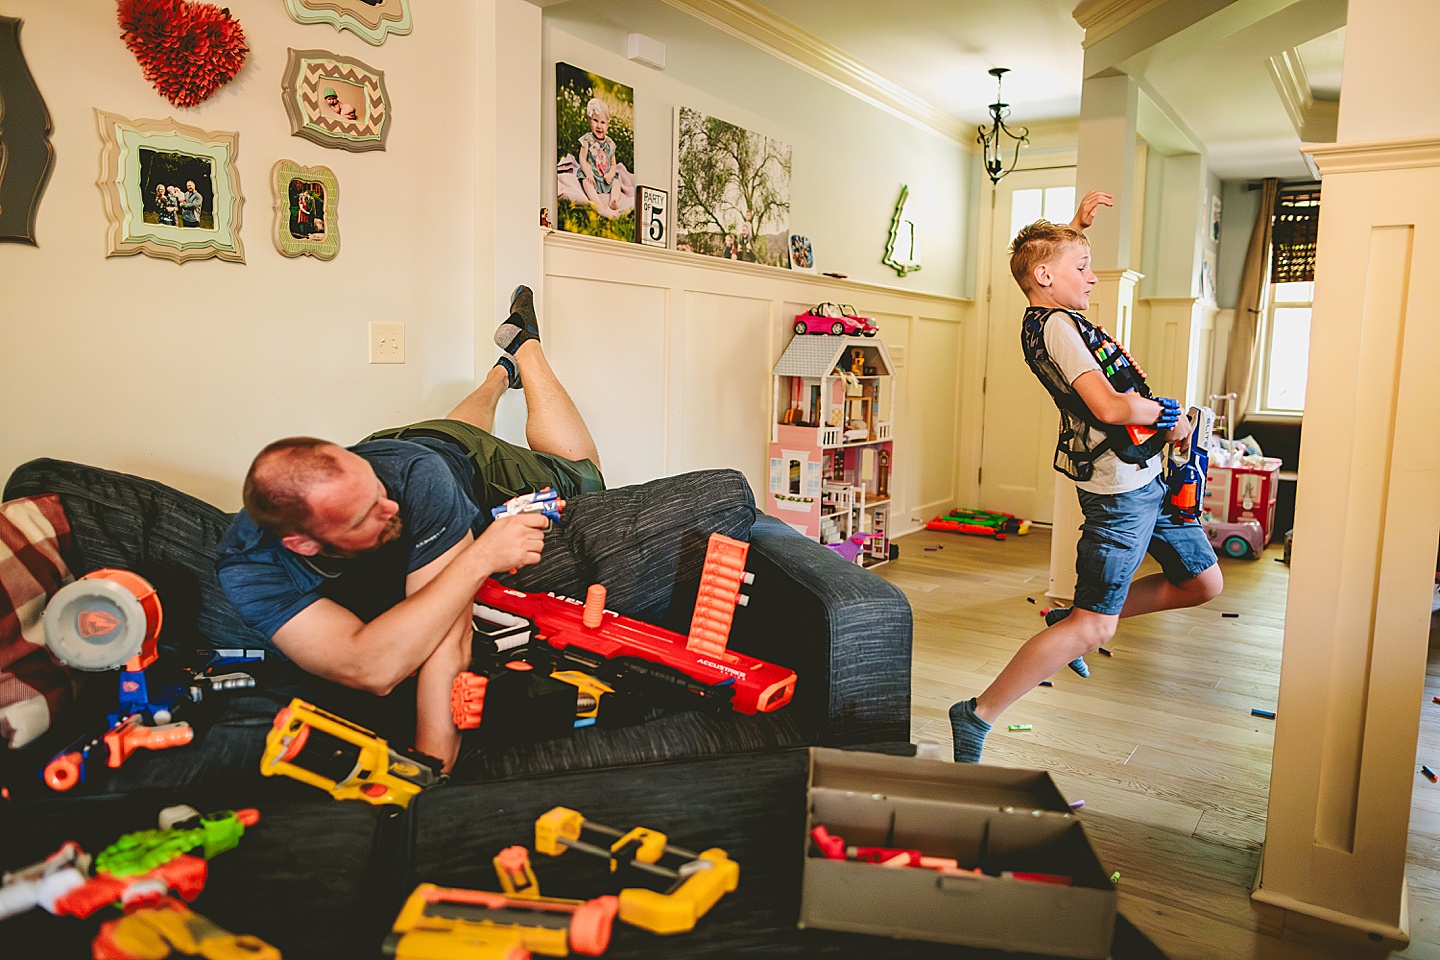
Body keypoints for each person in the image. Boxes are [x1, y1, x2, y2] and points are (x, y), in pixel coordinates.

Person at [216, 286, 603, 773]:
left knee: (585, 473)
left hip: (447, 460)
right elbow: (370, 668)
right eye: (365, 515)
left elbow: (450, 635)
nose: (391, 507)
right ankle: (497, 377)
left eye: (377, 490)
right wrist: (480, 557)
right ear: (301, 543)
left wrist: (432, 767)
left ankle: (525, 349)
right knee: (443, 437)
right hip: (423, 448)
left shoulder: (412, 482)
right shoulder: (248, 565)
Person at [948, 191, 1223, 764]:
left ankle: (1067, 618)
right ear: (1046, 276)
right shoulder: (1056, 329)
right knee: (1095, 627)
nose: (1093, 278)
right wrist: (1169, 414)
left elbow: (1046, 260)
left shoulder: (1055, 308)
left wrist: (1074, 227)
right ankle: (977, 715)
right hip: (1120, 492)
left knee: (1202, 584)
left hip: (1150, 479)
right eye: (1083, 268)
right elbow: (1110, 408)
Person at [576, 97, 628, 218]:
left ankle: (613, 200)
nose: (599, 126)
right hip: (592, 175)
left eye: (603, 122)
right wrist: (587, 172)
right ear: (589, 120)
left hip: (605, 178)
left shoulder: (610, 143)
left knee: (616, 183)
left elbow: (613, 163)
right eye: (595, 120)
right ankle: (597, 202)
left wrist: (610, 174)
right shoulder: (587, 139)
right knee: (585, 181)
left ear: (608, 124)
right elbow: (582, 158)